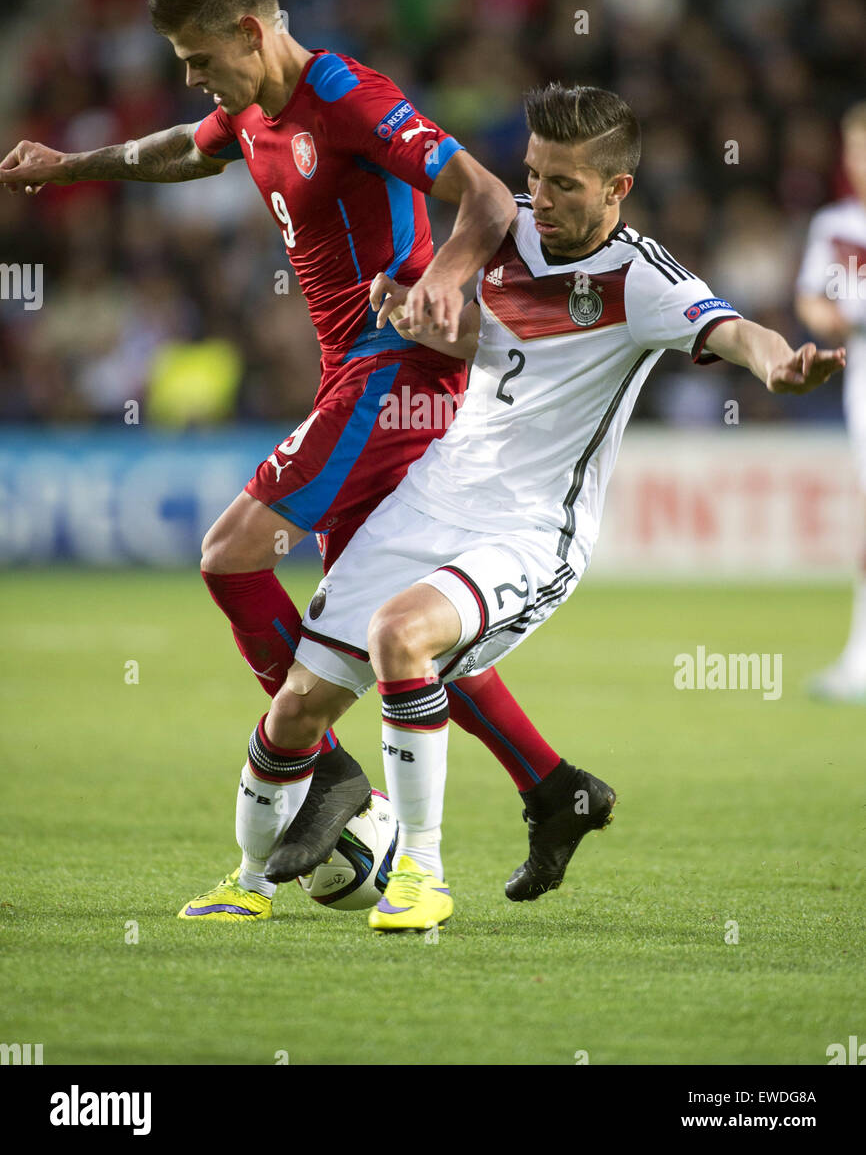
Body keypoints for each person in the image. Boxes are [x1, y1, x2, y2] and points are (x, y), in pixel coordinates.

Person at [0, 0, 578, 920]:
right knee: (382, 618)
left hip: (394, 372)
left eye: (197, 59)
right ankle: (552, 786)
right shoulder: (247, 110)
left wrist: (437, 281)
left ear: (249, 28)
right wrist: (70, 168)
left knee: (230, 554)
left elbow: (480, 193)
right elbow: (182, 149)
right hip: (350, 378)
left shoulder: (345, 94)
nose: (191, 79)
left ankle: (322, 770)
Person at [253, 83, 845, 931]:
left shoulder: (641, 281)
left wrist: (781, 365)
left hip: (531, 532)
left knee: (404, 637)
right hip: (432, 497)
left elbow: (737, 331)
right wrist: (413, 312)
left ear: (617, 189)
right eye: (534, 176)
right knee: (300, 705)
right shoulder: (506, 231)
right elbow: (492, 339)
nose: (543, 199)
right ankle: (259, 878)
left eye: (566, 183)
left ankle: (422, 872)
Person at [796, 102, 866, 703]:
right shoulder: (837, 225)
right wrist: (834, 318)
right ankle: (860, 659)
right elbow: (811, 300)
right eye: (854, 150)